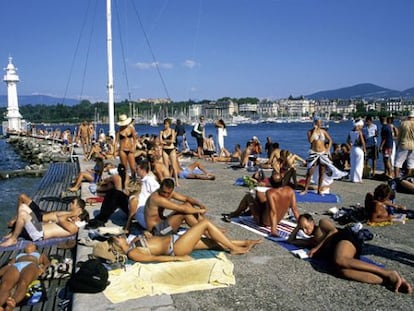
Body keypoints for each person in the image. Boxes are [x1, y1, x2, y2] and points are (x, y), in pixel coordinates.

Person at [288, 214, 412, 294]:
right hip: (340, 252)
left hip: (344, 239)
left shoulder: (321, 223)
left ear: (312, 221)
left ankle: (388, 273)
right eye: (302, 228)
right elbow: (291, 241)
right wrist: (297, 227)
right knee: (343, 271)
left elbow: (333, 231)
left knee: (340, 260)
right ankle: (388, 280)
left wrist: (316, 248)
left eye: (306, 226)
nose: (305, 230)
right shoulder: (311, 241)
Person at [111, 218, 263, 263]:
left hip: (176, 240)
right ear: (118, 245)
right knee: (205, 224)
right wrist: (178, 258)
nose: (120, 237)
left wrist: (145, 235)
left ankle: (244, 242)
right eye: (117, 238)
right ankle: (234, 248)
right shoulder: (132, 253)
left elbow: (149, 238)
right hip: (176, 247)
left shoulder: (132, 242)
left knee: (212, 243)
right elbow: (154, 257)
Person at [0, 196, 88, 247]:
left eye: (77, 216)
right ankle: (14, 234)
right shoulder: (70, 223)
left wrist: (72, 213)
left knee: (23, 214)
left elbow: (60, 219)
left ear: (79, 219)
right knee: (23, 207)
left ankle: (13, 239)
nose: (75, 216)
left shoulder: (73, 227)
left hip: (39, 234)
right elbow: (58, 219)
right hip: (38, 227)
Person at [136, 178, 207, 236]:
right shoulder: (156, 198)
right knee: (183, 213)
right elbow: (182, 209)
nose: (166, 195)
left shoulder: (169, 193)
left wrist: (199, 205)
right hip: (157, 231)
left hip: (164, 223)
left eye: (168, 193)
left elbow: (186, 198)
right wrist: (200, 211)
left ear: (172, 190)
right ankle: (205, 231)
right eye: (164, 192)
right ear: (160, 188)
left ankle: (206, 226)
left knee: (187, 204)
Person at [222, 186, 299, 237]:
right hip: (277, 220)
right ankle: (247, 211)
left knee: (248, 196)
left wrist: (273, 231)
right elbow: (294, 210)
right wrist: (300, 224)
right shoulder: (290, 191)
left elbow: (273, 212)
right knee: (259, 195)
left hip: (263, 221)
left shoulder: (270, 192)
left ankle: (236, 213)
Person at [0, 243, 50, 310]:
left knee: (23, 282)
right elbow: (9, 265)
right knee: (5, 284)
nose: (28, 245)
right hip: (16, 266)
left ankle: (12, 303)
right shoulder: (18, 255)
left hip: (31, 265)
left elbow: (47, 263)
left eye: (31, 244)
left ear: (35, 249)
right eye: (27, 245)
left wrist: (43, 268)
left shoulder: (40, 255)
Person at [301, 117, 344, 194]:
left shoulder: (323, 131)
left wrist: (328, 149)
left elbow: (330, 140)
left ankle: (319, 190)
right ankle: (305, 190)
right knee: (310, 171)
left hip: (323, 153)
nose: (320, 124)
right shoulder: (310, 132)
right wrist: (314, 131)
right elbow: (310, 141)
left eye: (321, 122)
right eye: (318, 122)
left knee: (322, 171)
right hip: (314, 153)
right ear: (315, 123)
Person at [87, 163, 131, 228]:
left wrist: (101, 184)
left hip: (118, 196)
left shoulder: (115, 176)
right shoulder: (127, 177)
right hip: (125, 196)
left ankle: (101, 218)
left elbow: (105, 181)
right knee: (113, 192)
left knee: (111, 192)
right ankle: (102, 217)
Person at [125, 159, 160, 233]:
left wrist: (127, 228)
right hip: (142, 210)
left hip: (145, 211)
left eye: (137, 169)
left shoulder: (149, 180)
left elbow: (159, 193)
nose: (136, 170)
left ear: (142, 169)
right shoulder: (141, 181)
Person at [116, 114, 137, 182]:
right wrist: (115, 150)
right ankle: (124, 181)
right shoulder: (119, 130)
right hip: (122, 149)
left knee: (133, 167)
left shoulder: (131, 128)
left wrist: (134, 147)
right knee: (124, 167)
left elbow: (135, 139)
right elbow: (116, 141)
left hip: (130, 149)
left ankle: (134, 180)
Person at [394, 111, 414, 178]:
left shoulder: (403, 124)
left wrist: (397, 144)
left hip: (403, 144)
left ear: (408, 116)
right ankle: (408, 178)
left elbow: (399, 135)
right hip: (413, 146)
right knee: (410, 164)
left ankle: (396, 179)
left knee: (398, 163)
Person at [160, 118, 180, 186]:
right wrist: (167, 141)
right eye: (164, 124)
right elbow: (160, 141)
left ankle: (176, 182)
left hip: (171, 149)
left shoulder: (172, 131)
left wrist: (165, 141)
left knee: (174, 167)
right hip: (165, 149)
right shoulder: (161, 132)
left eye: (166, 124)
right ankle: (167, 182)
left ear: (169, 124)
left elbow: (173, 140)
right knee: (166, 167)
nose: (165, 125)